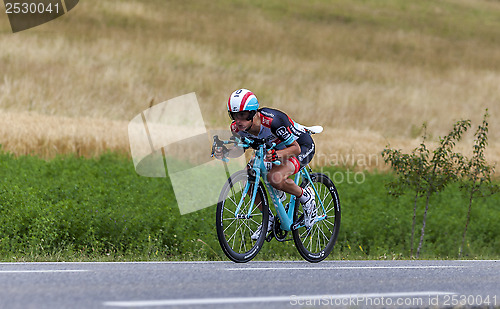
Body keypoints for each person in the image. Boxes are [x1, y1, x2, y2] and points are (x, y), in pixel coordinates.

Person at [214, 88, 317, 240]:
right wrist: (225, 152)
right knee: (246, 178)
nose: (239, 120)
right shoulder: (236, 128)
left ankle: (306, 197)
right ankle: (267, 219)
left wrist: (278, 154)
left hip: (301, 146)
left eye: (243, 115)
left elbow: (296, 148)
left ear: (253, 113)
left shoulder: (272, 122)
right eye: (234, 115)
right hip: (275, 150)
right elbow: (240, 149)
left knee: (275, 177)